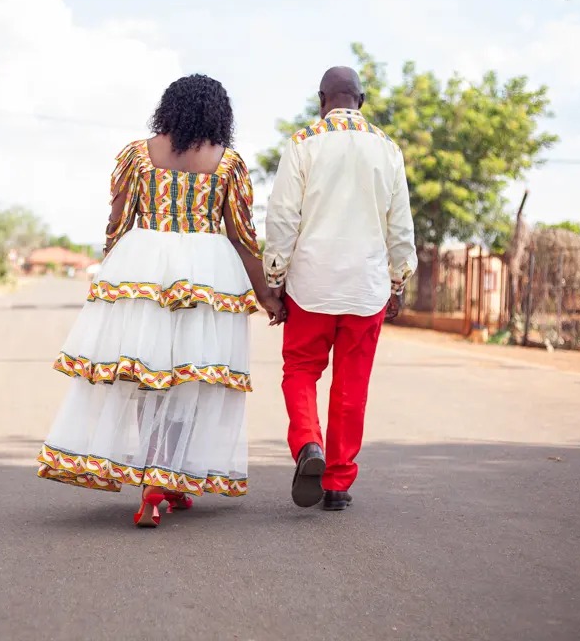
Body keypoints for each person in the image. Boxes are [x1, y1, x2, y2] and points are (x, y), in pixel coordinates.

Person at [36, 74, 285, 528]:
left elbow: (117, 222)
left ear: (167, 108)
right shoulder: (227, 163)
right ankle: (168, 476)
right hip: (206, 275)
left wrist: (111, 276)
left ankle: (153, 483)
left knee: (146, 373)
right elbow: (242, 236)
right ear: (219, 113)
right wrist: (267, 295)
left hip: (142, 267)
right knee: (189, 377)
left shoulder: (137, 155)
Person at [264, 66, 417, 511]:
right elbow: (400, 226)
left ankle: (309, 444)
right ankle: (337, 483)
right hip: (366, 287)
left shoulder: (301, 144)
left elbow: (282, 218)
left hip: (310, 283)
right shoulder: (389, 150)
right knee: (352, 383)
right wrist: (398, 280)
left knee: (300, 370)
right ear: (361, 101)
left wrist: (274, 281)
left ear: (320, 100)